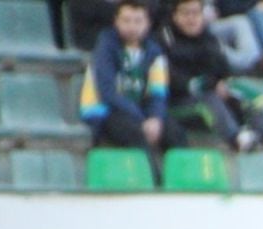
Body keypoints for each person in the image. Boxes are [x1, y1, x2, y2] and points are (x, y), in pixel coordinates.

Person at [160, 0, 263, 153]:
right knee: (209, 97)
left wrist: (220, 83)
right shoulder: (166, 40)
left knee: (240, 91)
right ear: (175, 16)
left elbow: (221, 69)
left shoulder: (208, 39)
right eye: (186, 13)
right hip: (179, 102)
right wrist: (208, 84)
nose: (191, 19)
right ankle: (236, 138)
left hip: (210, 94)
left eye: (195, 13)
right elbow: (174, 80)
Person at [79, 0, 186, 184]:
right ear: (116, 22)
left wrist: (156, 118)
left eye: (138, 21)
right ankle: (154, 184)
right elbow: (107, 92)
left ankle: (183, 181)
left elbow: (158, 91)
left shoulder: (154, 51)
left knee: (175, 132)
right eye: (126, 20)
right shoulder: (105, 47)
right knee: (135, 133)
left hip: (139, 111)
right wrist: (142, 120)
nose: (132, 27)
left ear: (147, 23)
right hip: (104, 111)